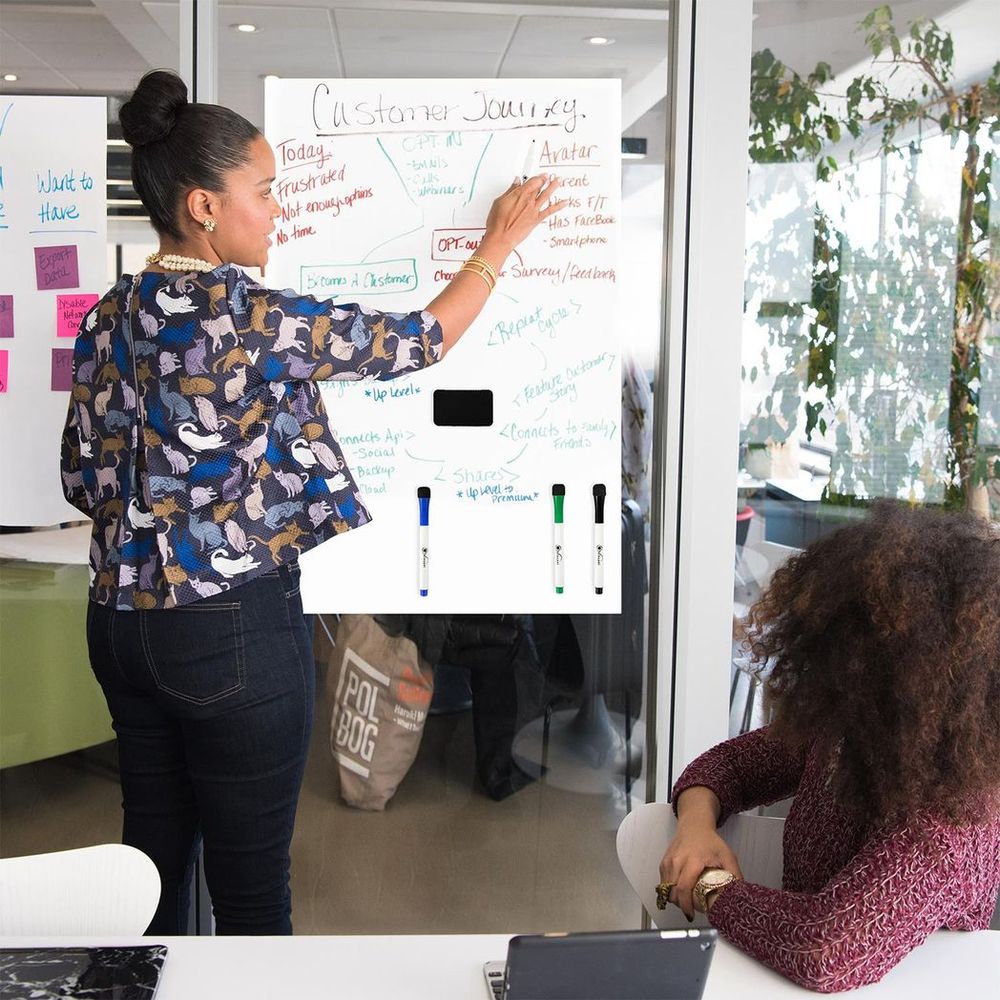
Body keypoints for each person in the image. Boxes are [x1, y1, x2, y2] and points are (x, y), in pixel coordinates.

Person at [59, 68, 564, 935]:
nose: (278, 210)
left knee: (152, 873)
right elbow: (418, 341)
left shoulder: (107, 317)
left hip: (120, 625)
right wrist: (498, 245)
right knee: (254, 894)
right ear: (203, 207)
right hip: (229, 634)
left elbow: (78, 474)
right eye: (265, 192)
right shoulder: (245, 315)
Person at [658, 502, 1000, 992]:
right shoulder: (850, 731)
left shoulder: (952, 820)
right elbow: (727, 765)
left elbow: (824, 948)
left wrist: (713, 888)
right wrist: (695, 830)